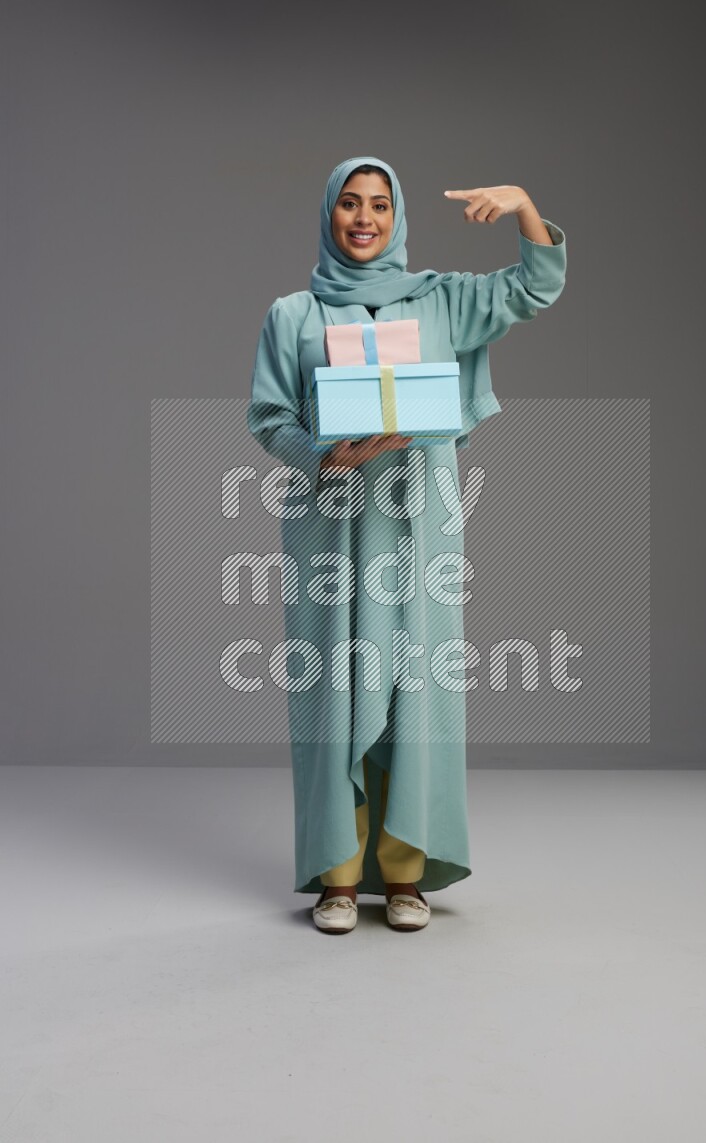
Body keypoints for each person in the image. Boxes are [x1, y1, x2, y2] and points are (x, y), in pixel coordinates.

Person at [247, 156, 567, 934]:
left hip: (417, 527)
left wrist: (525, 206)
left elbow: (533, 289)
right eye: (350, 203)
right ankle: (337, 877)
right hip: (331, 527)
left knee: (416, 695)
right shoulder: (293, 314)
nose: (364, 218)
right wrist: (324, 455)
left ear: (397, 218)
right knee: (336, 694)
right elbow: (268, 417)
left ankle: (404, 875)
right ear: (329, 213)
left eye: (380, 205)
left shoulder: (441, 301)